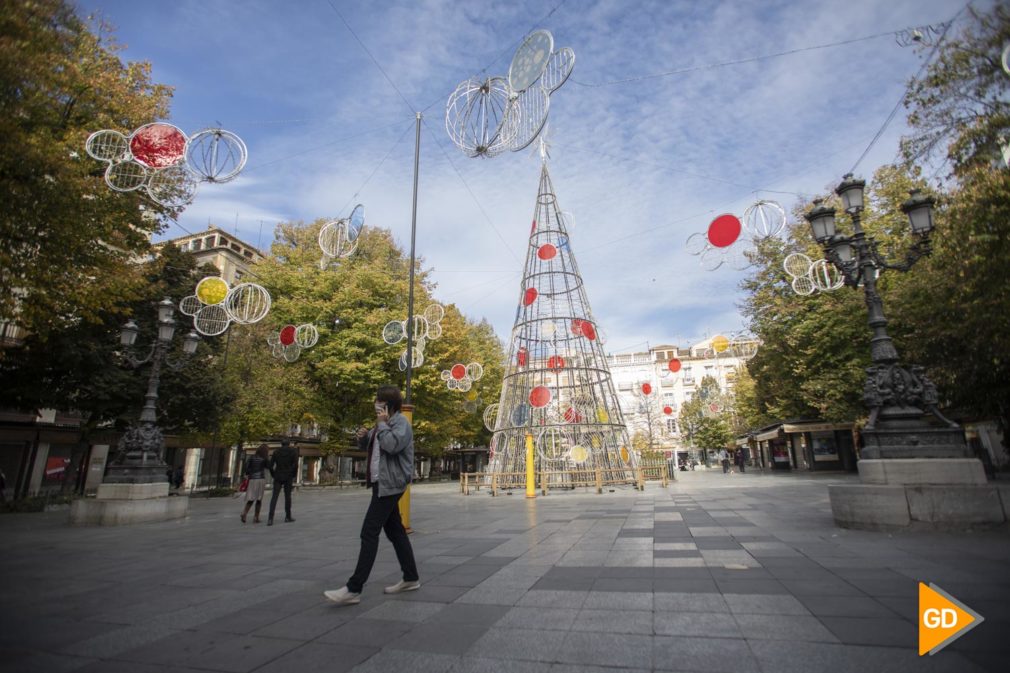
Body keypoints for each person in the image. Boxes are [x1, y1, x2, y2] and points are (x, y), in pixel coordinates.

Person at [325, 385, 419, 606]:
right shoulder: (384, 424)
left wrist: (381, 425)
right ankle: (411, 577)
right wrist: (363, 437)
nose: (375, 404)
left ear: (387, 404)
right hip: (382, 482)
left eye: (378, 401)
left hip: (390, 484)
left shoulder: (400, 423)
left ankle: (354, 587)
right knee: (395, 531)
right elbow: (375, 447)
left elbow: (391, 445)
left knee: (369, 532)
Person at [267, 439, 298, 525]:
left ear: (281, 444)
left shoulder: (276, 452)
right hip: (288, 476)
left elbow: (270, 466)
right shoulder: (293, 452)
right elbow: (295, 465)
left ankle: (270, 518)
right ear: (289, 444)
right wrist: (293, 474)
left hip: (278, 475)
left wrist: (273, 474)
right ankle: (288, 516)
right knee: (287, 497)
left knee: (274, 497)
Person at [240, 444, 270, 524]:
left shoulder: (251, 457)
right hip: (260, 478)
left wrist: (250, 473)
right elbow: (268, 467)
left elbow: (246, 468)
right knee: (259, 499)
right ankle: (256, 517)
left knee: (251, 498)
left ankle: (244, 513)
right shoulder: (264, 459)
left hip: (252, 479)